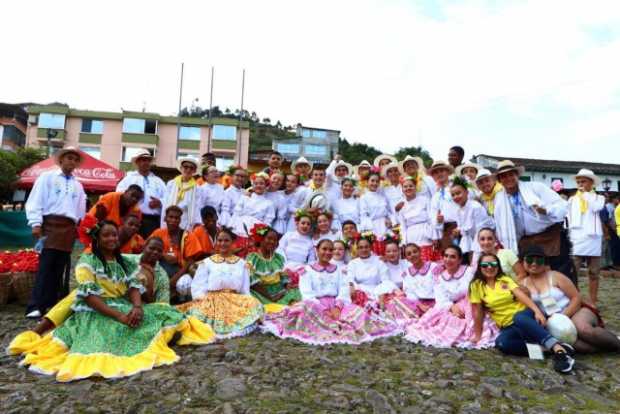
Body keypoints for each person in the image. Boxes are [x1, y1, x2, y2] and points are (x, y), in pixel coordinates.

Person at [8, 221, 214, 382]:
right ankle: (40, 329)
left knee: (163, 314)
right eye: (106, 235)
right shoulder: (88, 262)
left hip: (122, 305)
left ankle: (164, 334)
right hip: (97, 310)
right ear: (96, 239)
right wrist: (120, 316)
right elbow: (89, 296)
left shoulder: (125, 262)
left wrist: (136, 307)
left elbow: (134, 287)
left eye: (114, 235)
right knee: (109, 334)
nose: (112, 239)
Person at [261, 239, 399, 345]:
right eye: (324, 249)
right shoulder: (307, 270)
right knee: (304, 308)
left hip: (336, 303)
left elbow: (344, 290)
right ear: (317, 250)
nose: (327, 253)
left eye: (330, 250)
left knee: (360, 315)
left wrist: (337, 307)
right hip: (315, 304)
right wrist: (323, 309)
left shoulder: (339, 271)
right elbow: (307, 293)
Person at [27, 236, 172, 336]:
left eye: (159, 251)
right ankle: (40, 328)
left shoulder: (162, 275)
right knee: (78, 294)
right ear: (144, 246)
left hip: (132, 302)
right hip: (106, 295)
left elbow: (162, 304)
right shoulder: (127, 259)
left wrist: (143, 294)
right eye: (152, 248)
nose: (154, 252)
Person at [469, 252, 576, 373]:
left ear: (498, 266)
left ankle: (559, 351)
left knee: (519, 317)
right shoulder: (476, 286)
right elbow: (477, 311)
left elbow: (521, 296)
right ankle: (548, 349)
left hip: (524, 315)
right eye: (485, 265)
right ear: (479, 267)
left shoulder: (504, 280)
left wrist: (537, 311)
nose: (489, 267)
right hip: (508, 326)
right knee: (502, 343)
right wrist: (477, 335)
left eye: (493, 264)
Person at [24, 147, 86, 319]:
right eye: (69, 158)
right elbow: (36, 200)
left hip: (68, 228)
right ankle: (35, 306)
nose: (71, 161)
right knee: (45, 266)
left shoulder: (78, 185)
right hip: (50, 225)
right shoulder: (47, 177)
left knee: (60, 268)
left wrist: (77, 228)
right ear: (61, 160)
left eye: (75, 159)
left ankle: (52, 304)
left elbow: (80, 209)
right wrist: (36, 223)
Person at [521, 246, 620, 354]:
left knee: (583, 329)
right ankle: (610, 345)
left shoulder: (555, 276)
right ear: (523, 262)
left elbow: (576, 297)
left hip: (576, 311)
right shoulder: (522, 284)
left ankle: (615, 343)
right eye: (530, 260)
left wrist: (564, 316)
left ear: (544, 262)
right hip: (553, 322)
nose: (534, 263)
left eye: (539, 260)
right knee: (577, 345)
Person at [493, 160, 574, 284]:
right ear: (499, 180)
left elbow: (562, 205)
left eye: (511, 174)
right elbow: (499, 224)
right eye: (503, 176)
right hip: (526, 242)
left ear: (517, 175)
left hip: (550, 237)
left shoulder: (536, 187)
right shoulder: (499, 199)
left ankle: (569, 299)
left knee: (561, 273)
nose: (508, 178)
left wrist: (546, 210)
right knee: (534, 276)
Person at [177, 227, 264, 338]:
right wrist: (202, 301)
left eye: (226, 240)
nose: (223, 243)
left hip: (234, 300)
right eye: (220, 240)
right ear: (216, 242)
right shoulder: (207, 262)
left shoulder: (242, 264)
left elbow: (244, 289)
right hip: (212, 300)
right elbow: (197, 286)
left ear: (233, 242)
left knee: (255, 304)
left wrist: (247, 303)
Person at [404, 245, 499, 348]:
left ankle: (474, 332)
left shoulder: (469, 271)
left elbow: (478, 287)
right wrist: (451, 306)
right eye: (446, 256)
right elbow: (441, 299)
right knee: (444, 321)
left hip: (472, 303)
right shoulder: (440, 277)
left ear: (460, 260)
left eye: (453, 257)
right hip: (451, 307)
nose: (448, 259)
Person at [567, 169, 605, 304]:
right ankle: (575, 300)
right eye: (578, 182)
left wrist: (586, 195)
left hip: (593, 238)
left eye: (583, 181)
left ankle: (592, 301)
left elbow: (596, 208)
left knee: (594, 272)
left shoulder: (599, 198)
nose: (580, 184)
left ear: (592, 183)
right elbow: (568, 218)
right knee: (574, 272)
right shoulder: (572, 199)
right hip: (576, 238)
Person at [149, 206, 202, 297]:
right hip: (159, 268)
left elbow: (190, 262)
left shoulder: (188, 236)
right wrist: (163, 255)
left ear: (180, 220)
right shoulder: (158, 233)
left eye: (176, 218)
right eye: (170, 217)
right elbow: (147, 249)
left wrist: (174, 279)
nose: (173, 220)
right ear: (165, 218)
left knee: (184, 284)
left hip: (180, 271)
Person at [246, 224, 301, 309]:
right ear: (261, 240)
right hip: (261, 294)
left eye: (275, 240)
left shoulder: (279, 258)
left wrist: (287, 285)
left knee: (296, 293)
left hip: (279, 291)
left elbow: (283, 276)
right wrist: (271, 298)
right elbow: (254, 283)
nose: (272, 242)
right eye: (269, 238)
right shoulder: (252, 258)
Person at [115, 149, 166, 238]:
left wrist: (160, 202)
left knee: (149, 246)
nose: (146, 162)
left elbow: (168, 198)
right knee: (131, 245)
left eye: (148, 160)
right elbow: (118, 195)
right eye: (143, 160)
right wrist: (131, 199)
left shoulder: (159, 181)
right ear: (137, 162)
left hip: (152, 221)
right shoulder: (128, 179)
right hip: (132, 219)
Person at [231, 172, 276, 256]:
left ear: (266, 185)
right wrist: (232, 228)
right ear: (252, 185)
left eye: (261, 183)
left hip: (256, 234)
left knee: (251, 258)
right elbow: (236, 213)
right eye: (256, 183)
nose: (258, 186)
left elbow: (268, 221)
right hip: (239, 230)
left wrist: (261, 234)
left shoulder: (269, 203)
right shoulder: (244, 198)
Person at [450, 177, 495, 257]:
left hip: (484, 241)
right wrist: (458, 230)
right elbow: (464, 229)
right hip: (471, 241)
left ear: (467, 192)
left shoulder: (475, 207)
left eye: (458, 193)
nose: (456, 197)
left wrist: (476, 252)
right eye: (453, 195)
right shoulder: (458, 210)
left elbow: (481, 229)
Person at [397, 176, 437, 262]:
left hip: (425, 233)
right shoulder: (402, 204)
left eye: (411, 186)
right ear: (402, 189)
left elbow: (432, 218)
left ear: (415, 187)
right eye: (405, 186)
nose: (408, 188)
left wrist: (434, 235)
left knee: (427, 262)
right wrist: (403, 242)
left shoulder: (425, 200)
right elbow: (402, 226)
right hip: (411, 235)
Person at [346, 233, 392, 300]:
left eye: (366, 247)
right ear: (357, 249)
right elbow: (350, 279)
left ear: (370, 248)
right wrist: (353, 287)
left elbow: (386, 279)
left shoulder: (378, 260)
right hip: (360, 292)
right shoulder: (353, 263)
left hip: (378, 291)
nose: (364, 250)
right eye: (361, 247)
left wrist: (381, 292)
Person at [162, 157, 202, 230]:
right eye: (186, 167)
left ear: (194, 170)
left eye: (191, 168)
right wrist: (164, 219)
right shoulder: (171, 184)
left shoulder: (197, 188)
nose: (188, 170)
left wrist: (196, 223)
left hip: (186, 220)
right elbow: (165, 203)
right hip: (171, 219)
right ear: (181, 168)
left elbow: (197, 207)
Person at [401, 243, 438, 317]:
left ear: (420, 252)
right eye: (409, 254)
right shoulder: (406, 273)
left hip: (435, 301)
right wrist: (420, 305)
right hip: (417, 303)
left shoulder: (433, 267)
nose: (412, 255)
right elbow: (409, 292)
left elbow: (440, 286)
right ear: (406, 258)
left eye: (415, 251)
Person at [428, 160, 458, 251]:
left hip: (460, 226)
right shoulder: (435, 196)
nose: (439, 174)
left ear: (447, 172)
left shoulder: (457, 187)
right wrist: (438, 221)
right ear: (433, 176)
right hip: (445, 230)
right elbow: (433, 216)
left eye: (442, 171)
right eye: (436, 172)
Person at [360, 171, 393, 237]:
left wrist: (389, 219)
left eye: (377, 181)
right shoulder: (364, 198)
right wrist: (371, 231)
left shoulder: (383, 197)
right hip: (372, 227)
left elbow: (389, 212)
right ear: (367, 182)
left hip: (386, 227)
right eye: (372, 181)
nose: (375, 183)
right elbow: (364, 215)